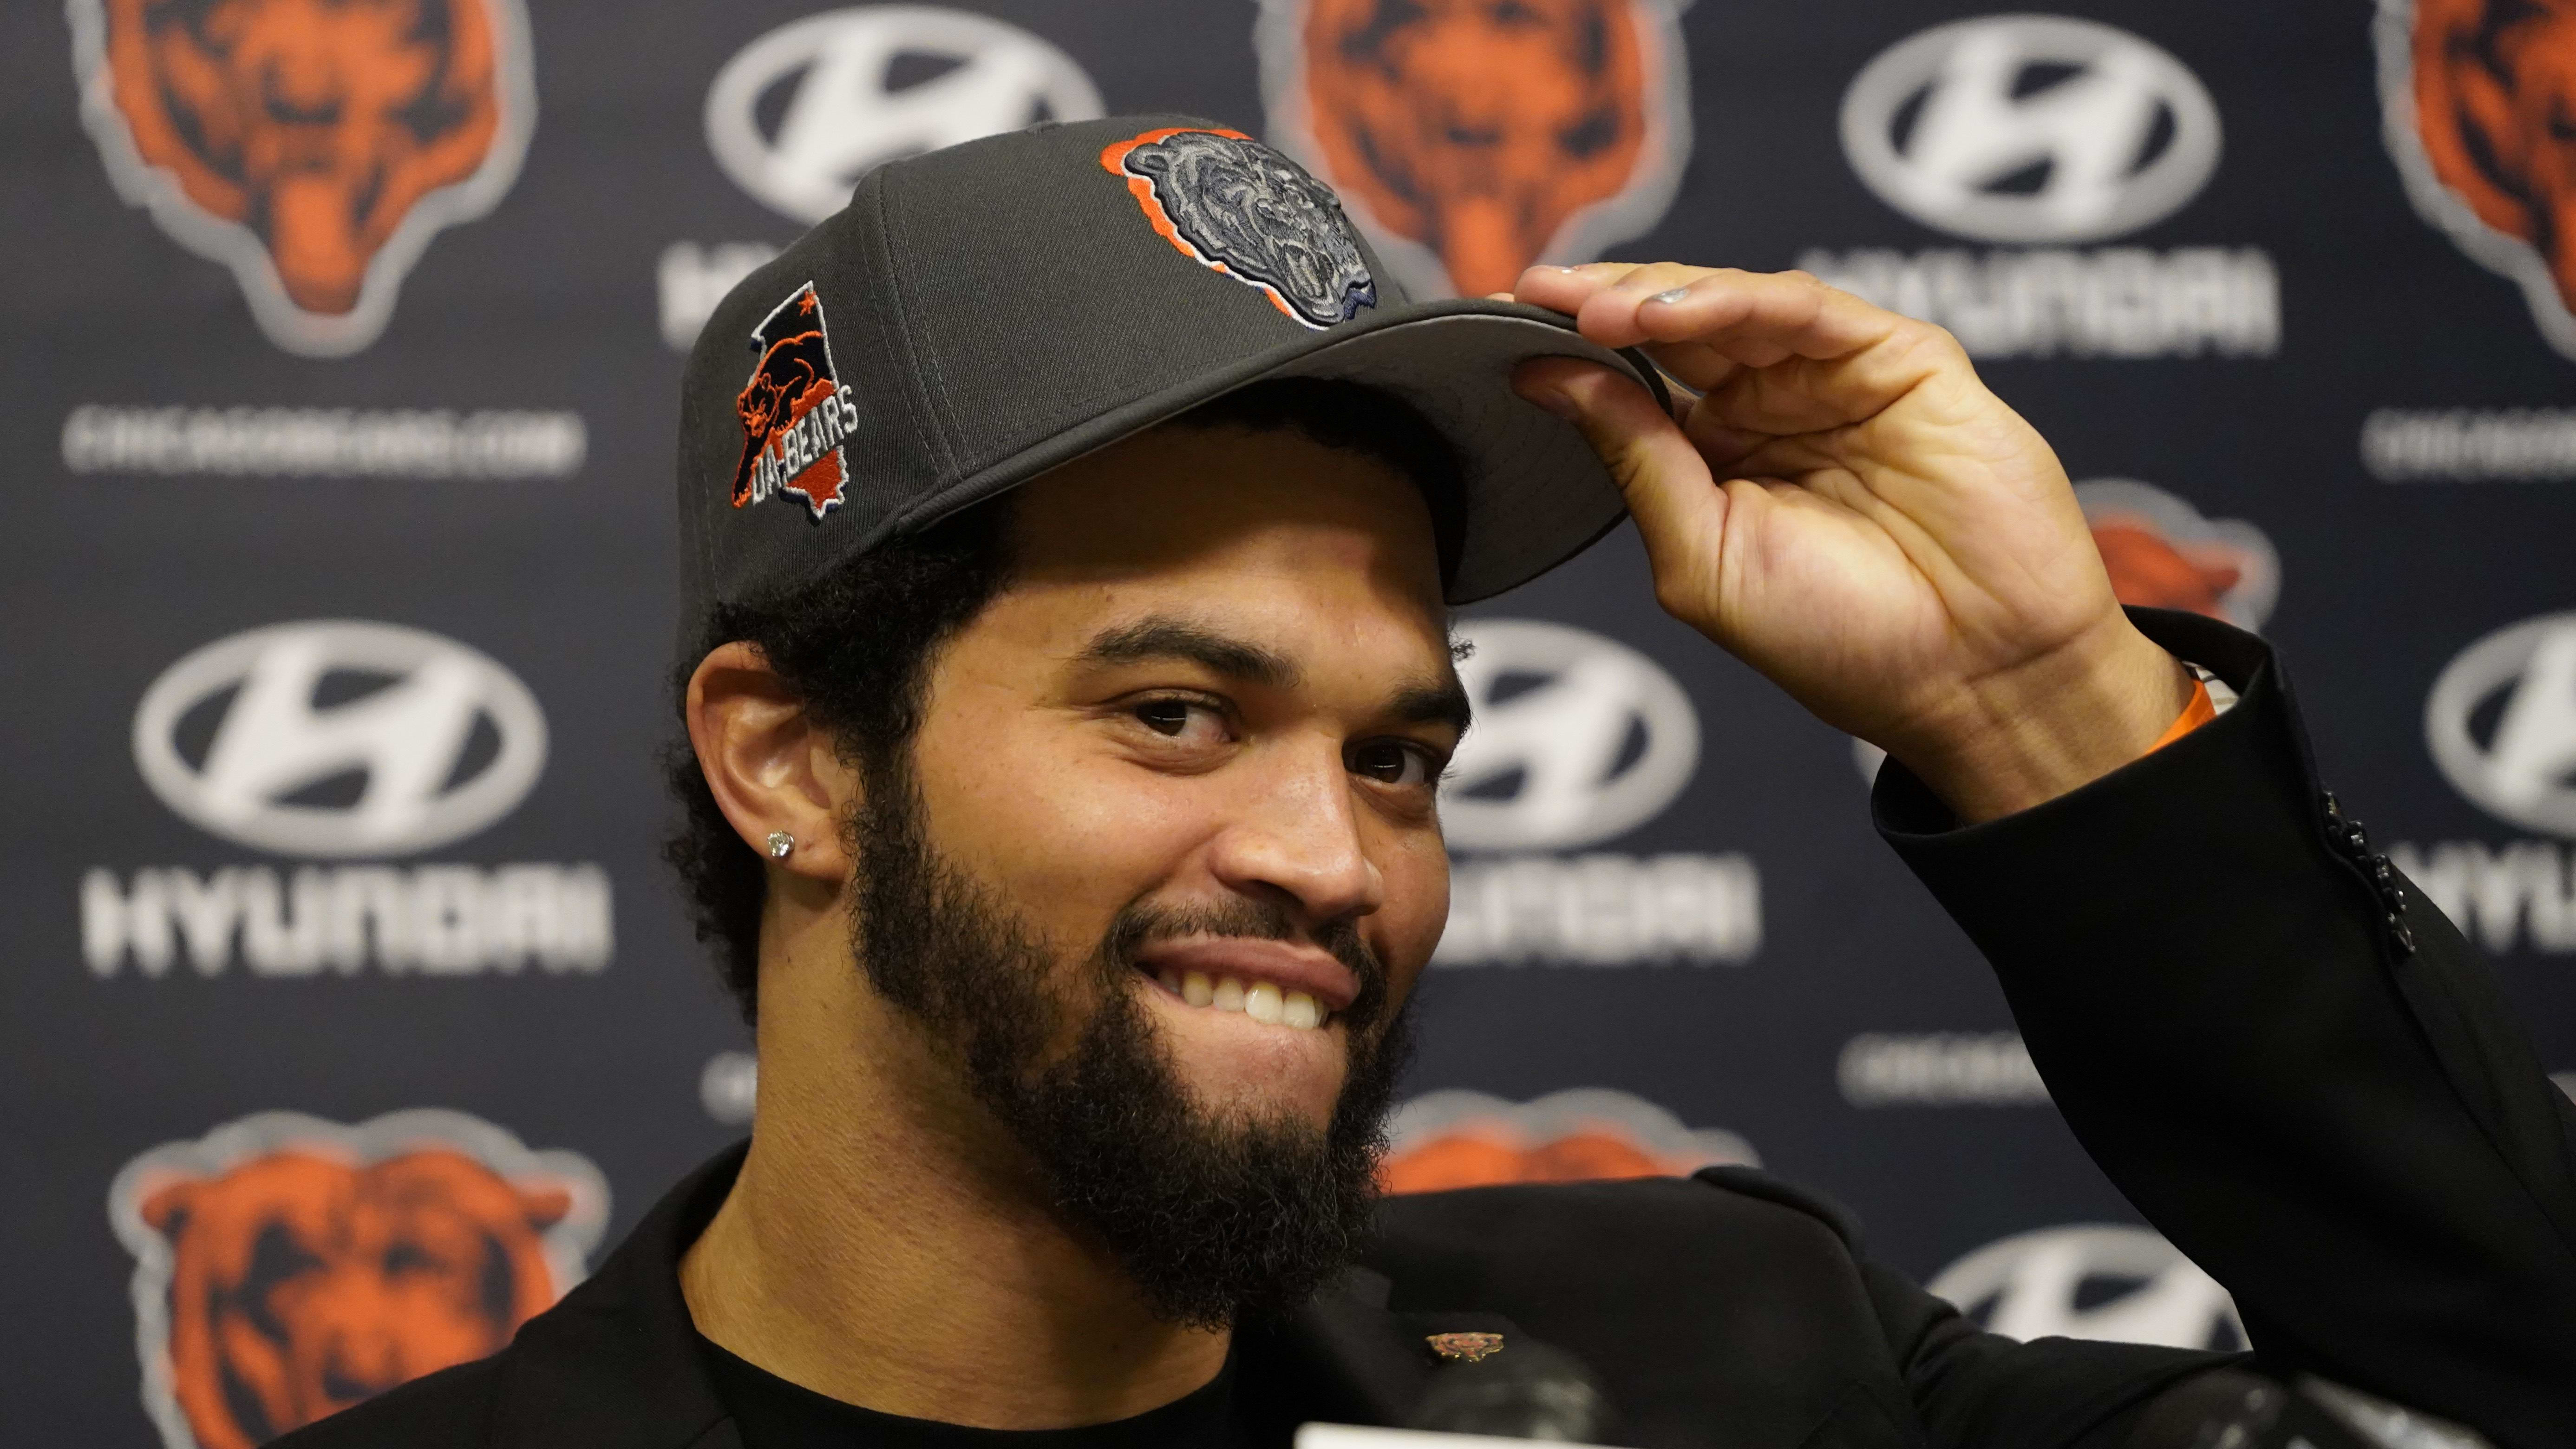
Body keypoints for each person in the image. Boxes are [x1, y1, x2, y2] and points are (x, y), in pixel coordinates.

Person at [280, 117, 2576, 1449]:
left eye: (1399, 750)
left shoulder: (1733, 1366)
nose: (1329, 858)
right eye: (1175, 711)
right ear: (792, 760)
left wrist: (2037, 698)